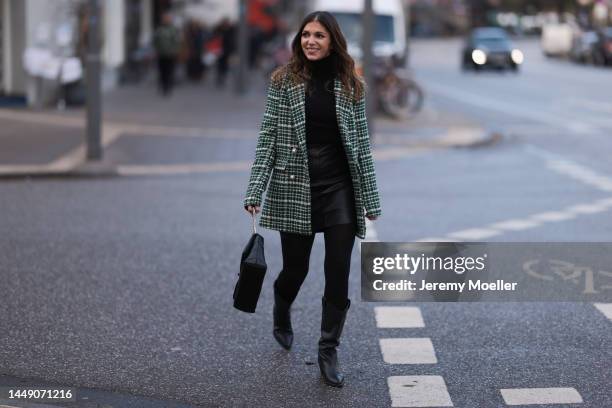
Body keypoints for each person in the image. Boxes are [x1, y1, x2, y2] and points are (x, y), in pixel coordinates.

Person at [243, 11, 381, 387]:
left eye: (319, 35)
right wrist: (255, 189)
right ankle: (281, 303)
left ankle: (327, 349)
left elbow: (362, 147)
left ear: (332, 41)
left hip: (339, 187)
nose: (311, 41)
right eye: (306, 34)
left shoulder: (351, 84)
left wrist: (370, 198)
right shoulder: (283, 81)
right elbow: (268, 137)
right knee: (296, 270)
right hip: (295, 186)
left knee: (338, 269)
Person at [153, 13, 181, 96]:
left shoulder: (173, 29)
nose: (166, 20)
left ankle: (168, 87)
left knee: (170, 71)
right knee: (162, 71)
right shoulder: (159, 29)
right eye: (164, 19)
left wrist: (175, 51)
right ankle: (163, 86)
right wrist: (156, 50)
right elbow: (155, 41)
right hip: (161, 54)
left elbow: (177, 42)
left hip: (171, 54)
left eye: (167, 18)